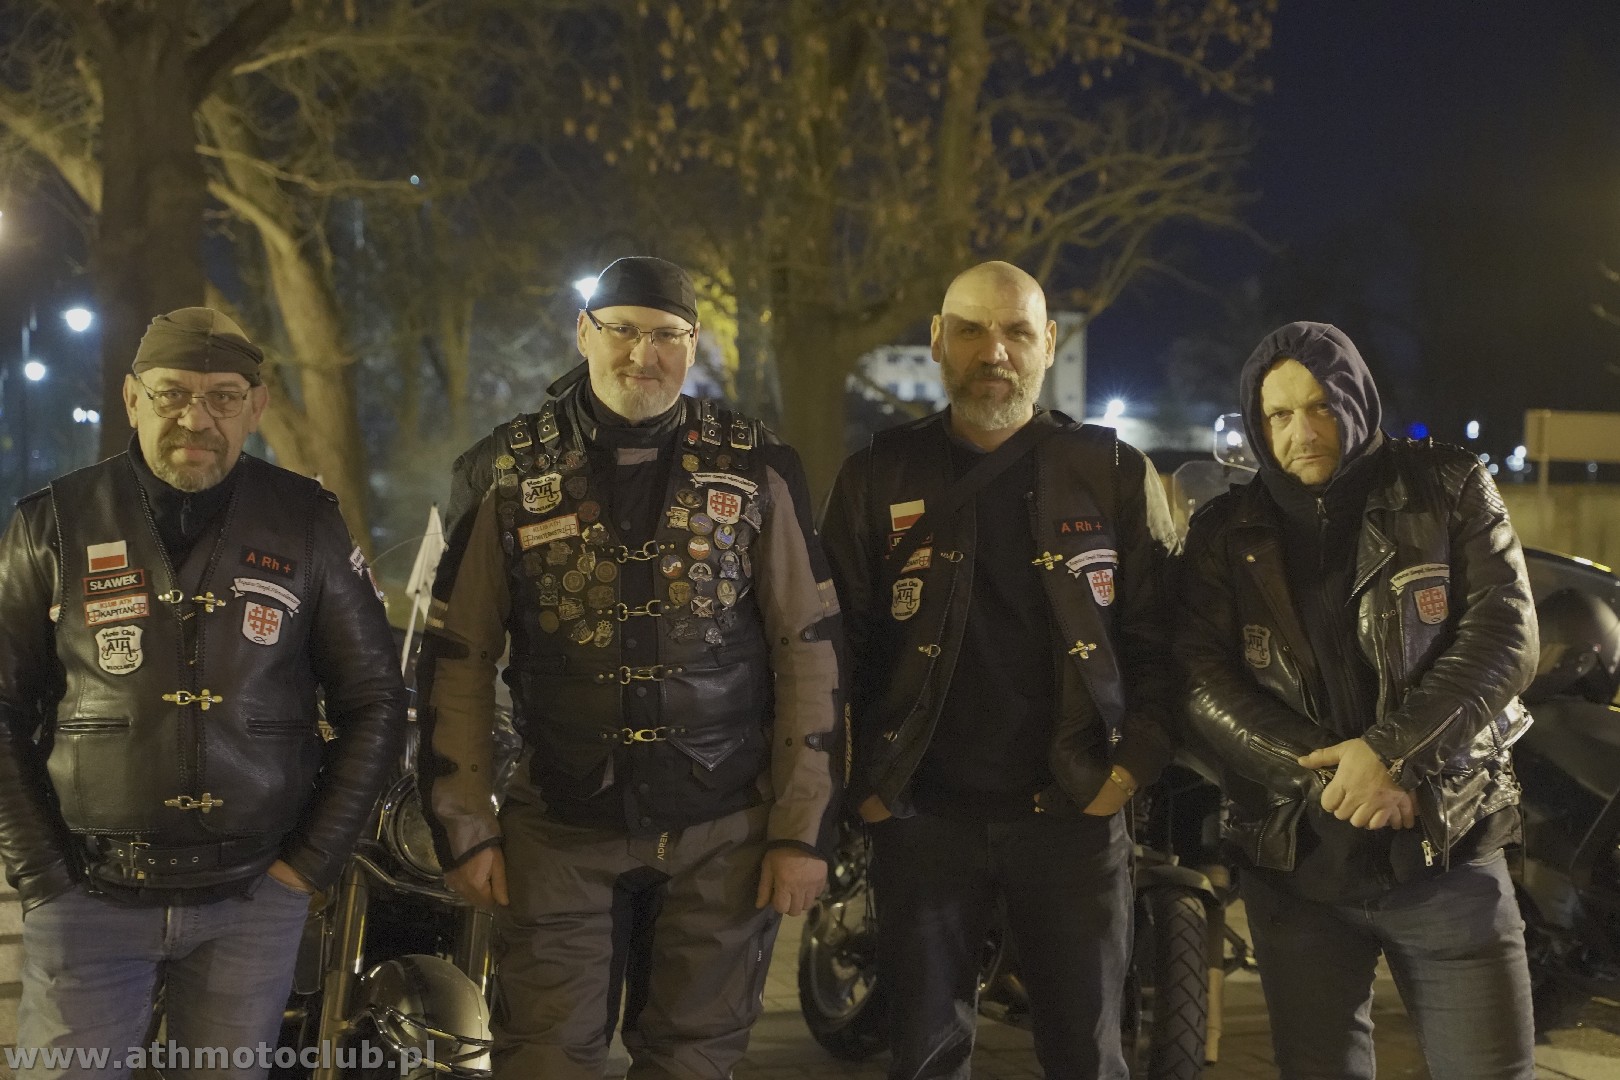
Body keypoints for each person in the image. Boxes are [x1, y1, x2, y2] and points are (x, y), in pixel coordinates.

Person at [415, 255, 843, 1077]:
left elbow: (809, 649)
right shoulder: (507, 471)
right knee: (545, 1058)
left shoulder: (755, 466)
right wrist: (464, 827)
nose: (643, 355)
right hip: (561, 827)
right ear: (583, 332)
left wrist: (802, 831)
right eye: (621, 331)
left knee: (695, 1059)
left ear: (693, 344)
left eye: (665, 336)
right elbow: (457, 659)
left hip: (723, 828)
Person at [0, 307, 408, 1080]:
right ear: (132, 398)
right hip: (85, 892)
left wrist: (307, 867)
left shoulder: (307, 522)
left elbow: (376, 700)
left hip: (252, 898)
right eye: (172, 394)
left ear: (256, 407)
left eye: (223, 396)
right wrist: (41, 873)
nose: (196, 418)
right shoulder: (52, 522)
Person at [819, 260, 1180, 1079]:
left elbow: (1163, 638)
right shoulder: (879, 472)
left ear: (1048, 343)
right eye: (972, 330)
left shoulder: (1113, 470)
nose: (995, 352)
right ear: (937, 341)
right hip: (922, 816)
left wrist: (1129, 770)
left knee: (1087, 1055)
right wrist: (865, 787)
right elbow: (833, 645)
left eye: (1017, 331)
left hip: (1074, 813)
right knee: (924, 1055)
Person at [1176, 321, 1538, 1080]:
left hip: (1448, 852)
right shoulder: (1222, 532)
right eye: (1279, 414)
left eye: (1320, 406)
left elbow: (1505, 638)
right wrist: (1331, 777)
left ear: (1357, 401)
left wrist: (1392, 758)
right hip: (1297, 862)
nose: (1302, 431)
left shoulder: (1447, 485)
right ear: (1256, 424)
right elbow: (1201, 680)